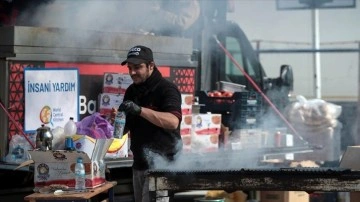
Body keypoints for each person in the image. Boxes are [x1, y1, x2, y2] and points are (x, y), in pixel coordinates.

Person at [114, 45, 183, 202]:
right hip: (139, 164)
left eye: (137, 67)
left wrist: (139, 110)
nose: (132, 72)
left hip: (162, 166)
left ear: (151, 66)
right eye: (130, 68)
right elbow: (125, 128)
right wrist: (116, 121)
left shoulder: (167, 89)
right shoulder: (132, 91)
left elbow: (173, 122)